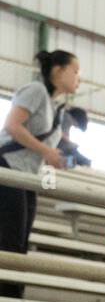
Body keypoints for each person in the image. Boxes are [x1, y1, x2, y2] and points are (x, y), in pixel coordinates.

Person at [0, 49, 80, 254]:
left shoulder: (58, 111)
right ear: (58, 71)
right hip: (8, 167)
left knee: (20, 242)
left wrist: (59, 160)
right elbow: (12, 125)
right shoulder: (36, 90)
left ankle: (13, 286)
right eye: (75, 71)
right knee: (11, 241)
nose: (79, 78)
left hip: (27, 176)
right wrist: (47, 151)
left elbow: (45, 154)